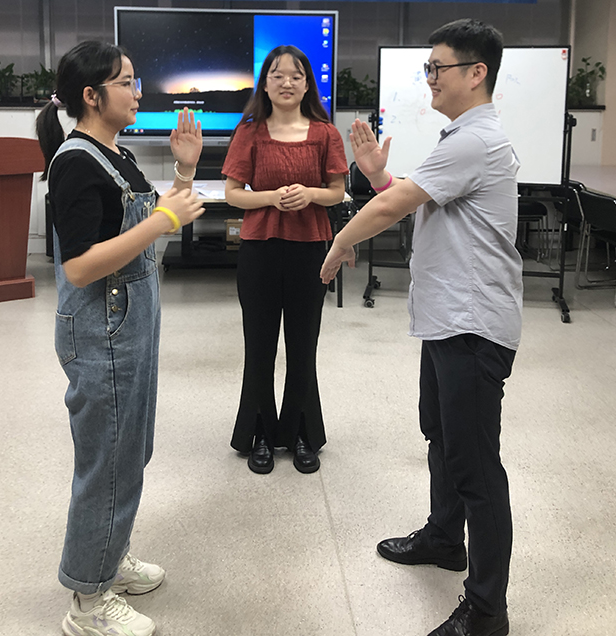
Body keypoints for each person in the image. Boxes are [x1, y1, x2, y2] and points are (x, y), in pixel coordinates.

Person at [320, 19, 522, 636]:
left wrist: (339, 245)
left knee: (476, 466)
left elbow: (392, 205)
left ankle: (486, 610)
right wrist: (380, 175)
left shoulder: (475, 139)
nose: (429, 78)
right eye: (427, 68)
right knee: (442, 437)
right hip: (448, 320)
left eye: (438, 67)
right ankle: (443, 538)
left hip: (472, 325)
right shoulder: (460, 136)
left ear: (476, 73)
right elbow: (417, 199)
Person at [36, 41, 204, 636]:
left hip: (132, 323)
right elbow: (81, 266)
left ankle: (109, 556)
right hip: (101, 329)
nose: (137, 92)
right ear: (91, 95)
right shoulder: (75, 162)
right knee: (106, 462)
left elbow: (152, 227)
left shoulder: (117, 154)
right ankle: (87, 601)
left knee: (129, 451)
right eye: (126, 82)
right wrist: (164, 220)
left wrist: (184, 171)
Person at [222, 45, 348, 474]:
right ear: (265, 83)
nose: (287, 83)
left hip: (310, 249)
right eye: (277, 75)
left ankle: (301, 433)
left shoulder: (326, 134)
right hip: (259, 249)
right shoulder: (250, 132)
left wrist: (310, 194)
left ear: (308, 84)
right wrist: (271, 198)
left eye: (296, 75)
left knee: (303, 345)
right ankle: (259, 432)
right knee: (259, 346)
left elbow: (336, 192)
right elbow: (233, 194)